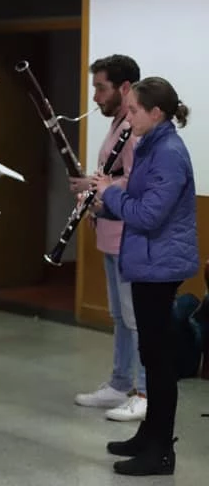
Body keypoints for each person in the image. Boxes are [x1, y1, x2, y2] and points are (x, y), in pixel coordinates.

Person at [92, 76, 198, 477]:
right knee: (152, 356)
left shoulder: (168, 151)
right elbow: (136, 201)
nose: (128, 116)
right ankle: (148, 436)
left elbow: (150, 214)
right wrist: (102, 204)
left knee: (158, 360)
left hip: (160, 265)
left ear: (157, 113)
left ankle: (161, 451)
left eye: (134, 110)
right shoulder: (148, 144)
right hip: (147, 260)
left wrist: (110, 192)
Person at [70, 55, 146, 422]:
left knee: (136, 319)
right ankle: (119, 383)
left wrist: (97, 188)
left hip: (129, 236)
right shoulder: (117, 122)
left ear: (125, 87)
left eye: (101, 88)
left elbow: (136, 183)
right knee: (119, 316)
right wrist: (91, 189)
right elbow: (113, 177)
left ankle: (143, 391)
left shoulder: (135, 127)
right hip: (110, 232)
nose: (96, 97)